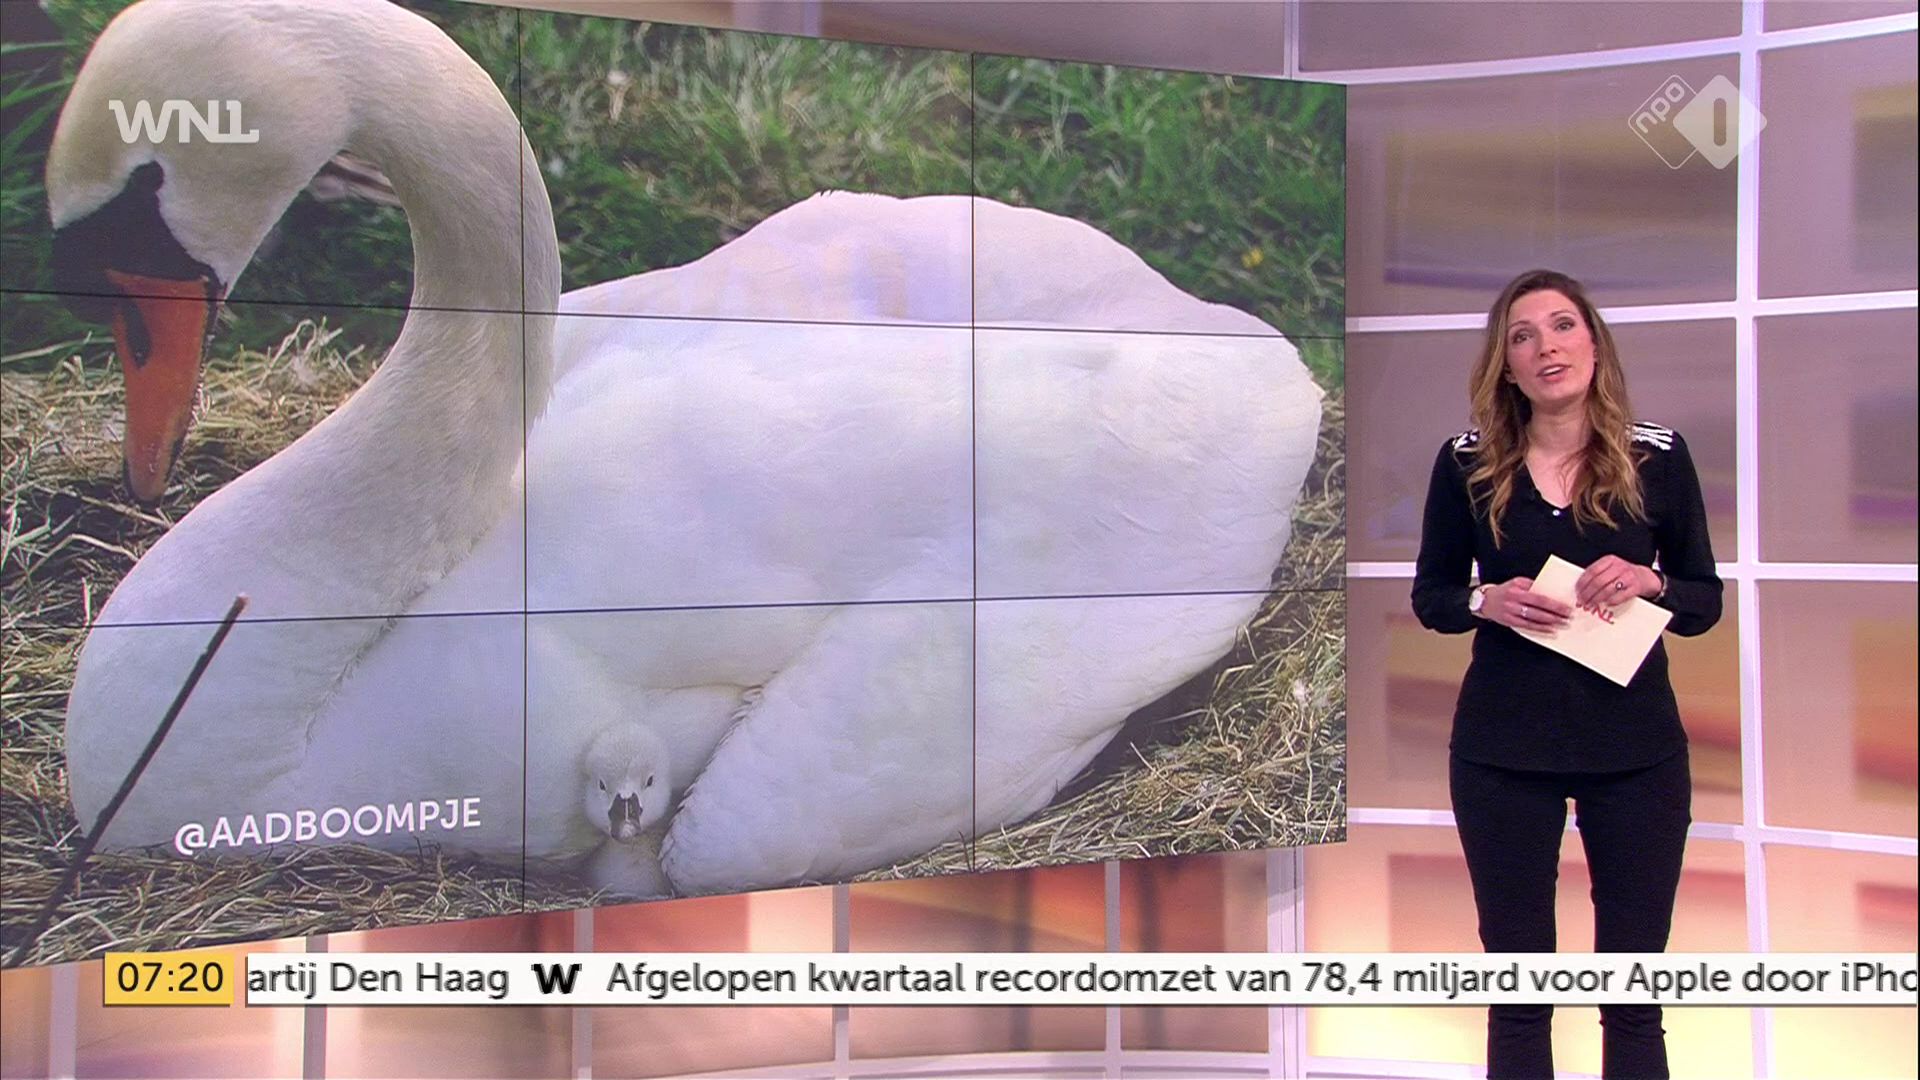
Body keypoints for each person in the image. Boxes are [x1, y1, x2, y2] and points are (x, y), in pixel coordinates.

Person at [1411, 268, 1723, 1079]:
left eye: (1561, 326)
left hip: (1637, 754)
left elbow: (1703, 601)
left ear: (1593, 343)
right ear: (1506, 365)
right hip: (1502, 756)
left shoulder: (1658, 456)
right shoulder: (1466, 462)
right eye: (1522, 336)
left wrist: (1651, 580)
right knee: (1519, 996)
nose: (1545, 347)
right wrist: (1485, 599)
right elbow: (1433, 596)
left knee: (1633, 996)